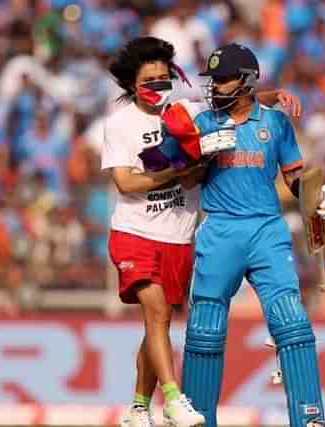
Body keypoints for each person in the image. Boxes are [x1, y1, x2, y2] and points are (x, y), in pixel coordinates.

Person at [102, 37, 303, 427]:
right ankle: (173, 399)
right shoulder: (120, 124)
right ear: (131, 85)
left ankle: (139, 406)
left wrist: (276, 94)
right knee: (157, 313)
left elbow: (236, 97)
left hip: (177, 236)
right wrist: (180, 171)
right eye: (149, 81)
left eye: (164, 80)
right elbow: (126, 184)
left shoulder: (188, 111)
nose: (158, 88)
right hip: (135, 232)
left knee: (157, 324)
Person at [157, 43, 325, 427]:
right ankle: (199, 419)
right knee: (205, 328)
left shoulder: (274, 124)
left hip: (266, 229)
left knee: (291, 320)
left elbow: (293, 178)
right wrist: (198, 156)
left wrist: (318, 197)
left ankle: (309, 417)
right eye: (214, 79)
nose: (216, 86)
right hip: (219, 228)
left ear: (247, 81)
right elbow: (177, 174)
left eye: (223, 79)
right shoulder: (203, 123)